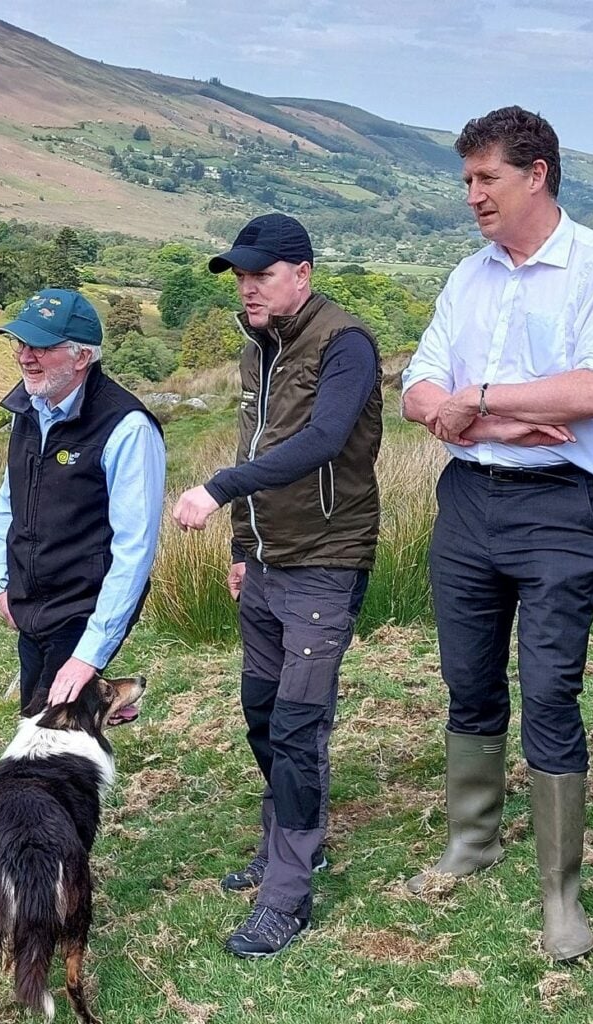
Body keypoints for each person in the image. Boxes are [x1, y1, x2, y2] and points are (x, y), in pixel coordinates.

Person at [401, 106, 593, 961]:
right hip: (468, 501)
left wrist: (482, 399)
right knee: (466, 679)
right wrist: (487, 419)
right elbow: (417, 388)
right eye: (467, 180)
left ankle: (560, 895)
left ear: (535, 174)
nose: (472, 195)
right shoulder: (466, 278)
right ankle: (472, 841)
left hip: (561, 508)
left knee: (547, 691)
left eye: (485, 178)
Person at [172, 213, 383, 958]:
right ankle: (293, 840)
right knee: (261, 713)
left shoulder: (344, 342)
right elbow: (251, 438)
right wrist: (239, 545)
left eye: (260, 274)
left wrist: (218, 490)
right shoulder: (258, 347)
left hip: (324, 560)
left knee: (296, 729)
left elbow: (321, 440)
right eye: (240, 275)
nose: (247, 286)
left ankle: (287, 895)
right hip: (262, 564)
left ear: (302, 271)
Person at [0, 288, 166, 712]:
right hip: (30, 607)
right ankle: (106, 712)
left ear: (82, 357)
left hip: (80, 609)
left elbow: (134, 549)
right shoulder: (31, 407)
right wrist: (2, 583)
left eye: (43, 347)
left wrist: (89, 654)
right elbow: (9, 500)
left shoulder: (127, 428)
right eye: (20, 342)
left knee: (46, 733)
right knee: (36, 722)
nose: (25, 356)